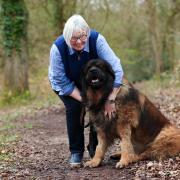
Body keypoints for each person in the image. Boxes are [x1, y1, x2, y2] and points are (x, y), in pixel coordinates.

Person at [48, 14, 124, 167]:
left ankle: (95, 148)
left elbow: (116, 69)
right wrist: (86, 101)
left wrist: (110, 98)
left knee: (100, 107)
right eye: (73, 39)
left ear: (86, 33)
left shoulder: (97, 40)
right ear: (66, 37)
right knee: (75, 108)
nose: (79, 42)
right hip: (67, 84)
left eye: (82, 36)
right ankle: (76, 151)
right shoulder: (58, 48)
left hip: (94, 81)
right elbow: (61, 81)